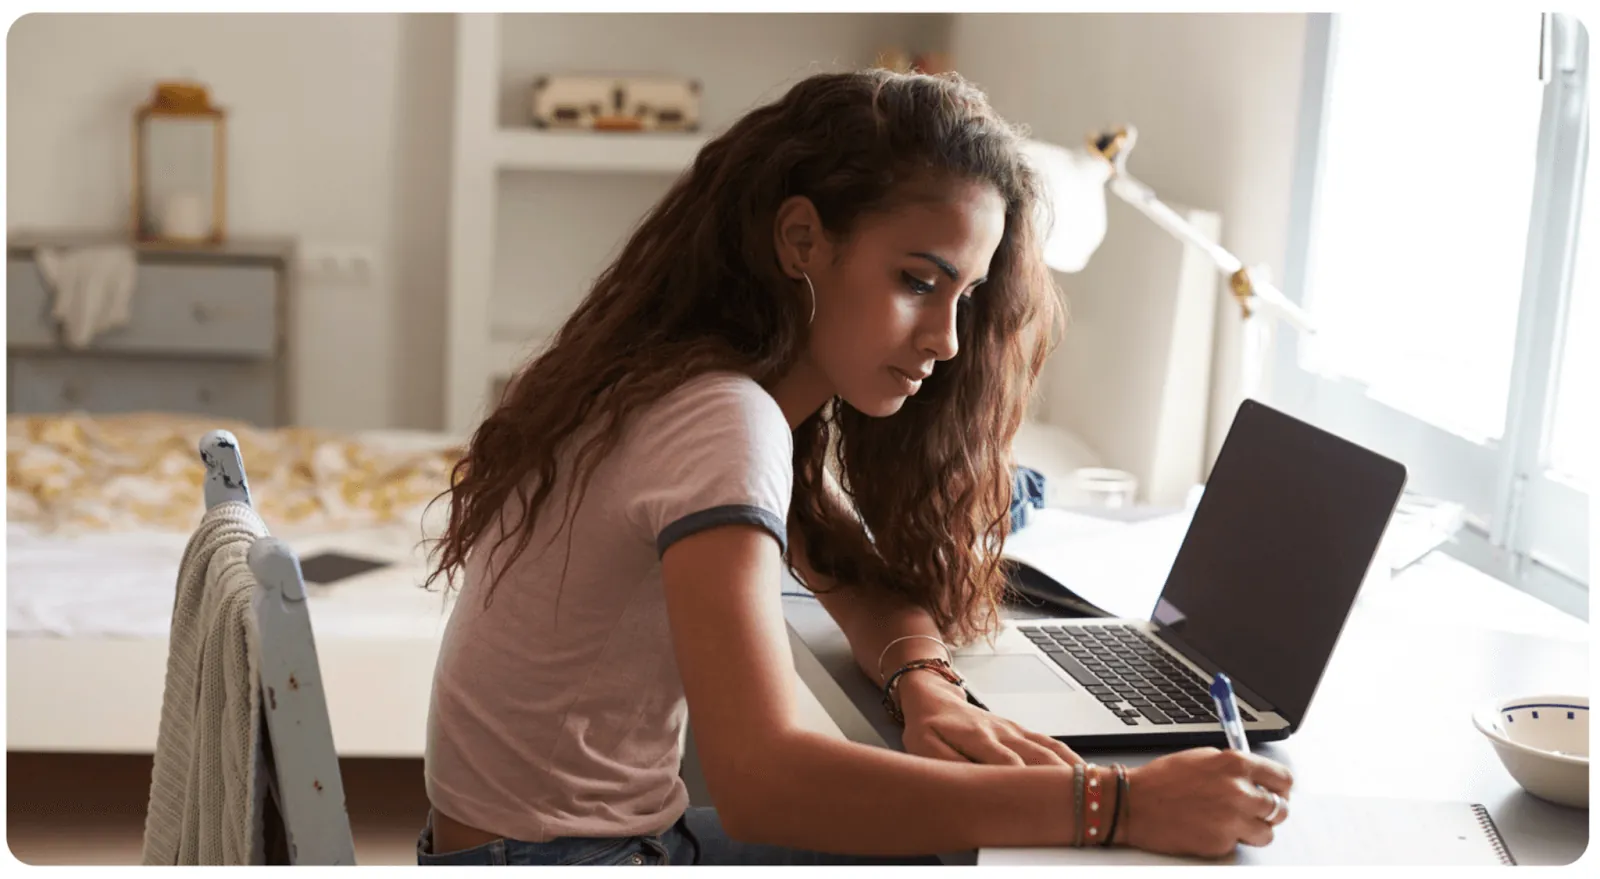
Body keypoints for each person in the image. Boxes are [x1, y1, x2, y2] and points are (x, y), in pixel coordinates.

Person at [416, 68, 1294, 867]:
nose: (948, 341)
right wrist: (1115, 803)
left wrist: (925, 682)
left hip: (523, 847)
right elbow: (763, 781)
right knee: (973, 849)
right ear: (801, 239)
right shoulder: (723, 418)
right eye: (918, 281)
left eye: (965, 296)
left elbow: (849, 570)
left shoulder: (687, 382)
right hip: (566, 858)